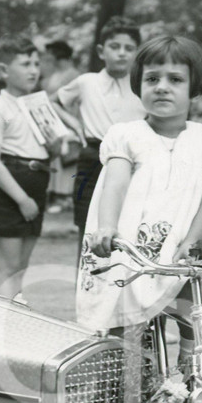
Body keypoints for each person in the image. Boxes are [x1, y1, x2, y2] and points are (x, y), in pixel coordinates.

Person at [75, 35, 202, 349]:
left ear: (194, 89)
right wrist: (107, 227)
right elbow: (114, 186)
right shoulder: (126, 135)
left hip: (179, 251)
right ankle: (128, 392)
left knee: (194, 322)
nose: (162, 87)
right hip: (131, 252)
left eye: (175, 79)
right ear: (138, 84)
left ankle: (189, 385)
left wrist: (193, 242)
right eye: (152, 78)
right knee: (127, 329)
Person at [52, 17, 145, 253]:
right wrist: (74, 125)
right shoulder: (86, 82)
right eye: (115, 47)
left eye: (129, 48)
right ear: (101, 51)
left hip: (132, 161)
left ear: (136, 52)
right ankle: (82, 287)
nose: (122, 53)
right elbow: (53, 102)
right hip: (92, 158)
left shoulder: (142, 86)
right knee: (87, 229)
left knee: (127, 227)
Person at [0, 34, 59, 298]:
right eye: (25, 64)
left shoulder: (39, 104)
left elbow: (55, 151)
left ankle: (14, 318)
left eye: (36, 64)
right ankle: (0, 322)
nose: (34, 70)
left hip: (37, 185)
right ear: (3, 70)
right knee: (9, 267)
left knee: (22, 267)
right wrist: (22, 198)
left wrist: (54, 143)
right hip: (12, 191)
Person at [40, 40, 82, 214]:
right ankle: (55, 194)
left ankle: (65, 197)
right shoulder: (55, 74)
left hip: (67, 119)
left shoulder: (73, 74)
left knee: (68, 159)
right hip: (53, 120)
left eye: (51, 53)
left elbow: (59, 98)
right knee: (56, 158)